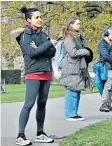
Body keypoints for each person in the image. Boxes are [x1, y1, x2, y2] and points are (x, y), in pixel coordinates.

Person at [12, 6, 56, 145]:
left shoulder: (43, 34)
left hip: (46, 72)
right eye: (37, 17)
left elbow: (52, 53)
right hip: (33, 73)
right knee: (29, 104)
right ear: (29, 19)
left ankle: (40, 133)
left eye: (40, 17)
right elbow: (31, 53)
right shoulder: (25, 34)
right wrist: (47, 44)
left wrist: (41, 47)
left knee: (42, 104)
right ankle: (20, 136)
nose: (40, 19)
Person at [60, 16, 92, 121]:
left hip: (77, 68)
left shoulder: (76, 36)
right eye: (77, 24)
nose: (79, 25)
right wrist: (85, 51)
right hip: (71, 68)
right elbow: (72, 53)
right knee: (72, 91)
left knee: (77, 91)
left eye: (79, 23)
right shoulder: (69, 37)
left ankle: (74, 113)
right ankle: (70, 114)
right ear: (71, 25)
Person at [98, 26, 112, 112]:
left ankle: (108, 104)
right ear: (107, 34)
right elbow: (105, 55)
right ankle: (103, 104)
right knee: (107, 87)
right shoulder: (102, 43)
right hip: (107, 67)